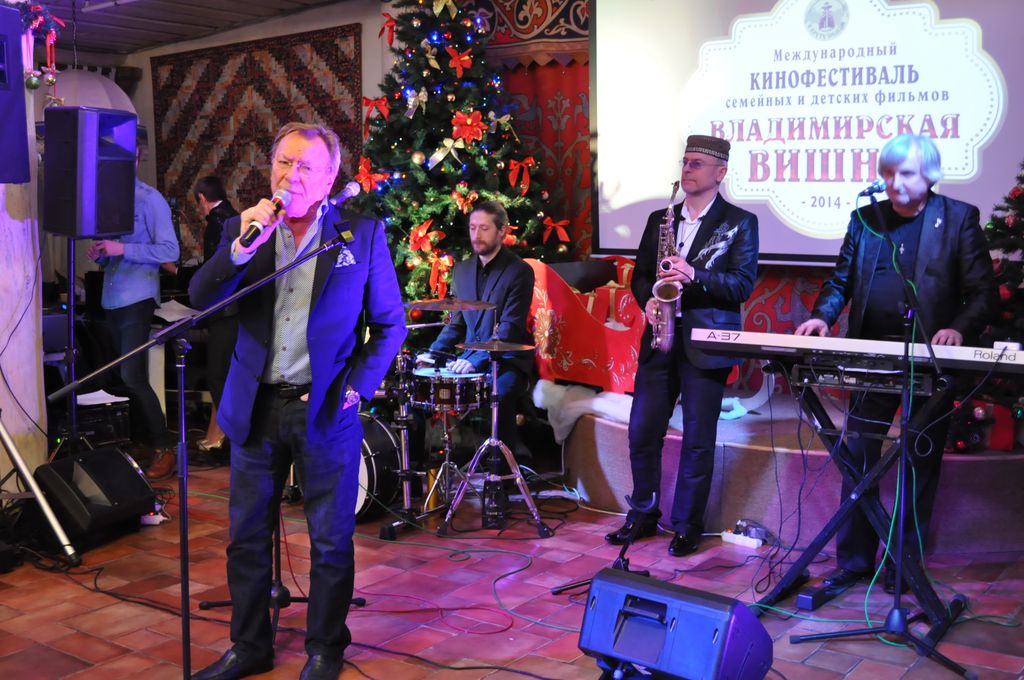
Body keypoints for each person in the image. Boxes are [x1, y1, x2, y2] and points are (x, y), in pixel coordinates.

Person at [188, 122, 406, 680]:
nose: (292, 175)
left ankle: (325, 649)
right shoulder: (245, 229)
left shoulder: (360, 234)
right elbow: (201, 297)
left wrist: (353, 388)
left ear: (330, 178)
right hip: (255, 405)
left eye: (306, 166)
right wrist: (241, 247)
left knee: (330, 541)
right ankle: (249, 647)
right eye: (284, 162)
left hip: (325, 409)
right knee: (246, 539)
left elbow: (390, 325)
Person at [794, 133, 997, 594]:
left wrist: (958, 329)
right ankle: (854, 561)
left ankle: (902, 563)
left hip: (930, 358)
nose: (893, 182)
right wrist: (823, 316)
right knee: (859, 456)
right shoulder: (866, 219)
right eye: (887, 173)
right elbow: (840, 281)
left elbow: (983, 293)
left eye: (904, 173)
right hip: (873, 355)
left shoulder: (958, 218)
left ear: (930, 175)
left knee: (918, 461)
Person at [605, 135, 759, 557]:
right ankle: (643, 513)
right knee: (642, 431)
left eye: (696, 163)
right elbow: (641, 275)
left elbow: (741, 285)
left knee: (697, 439)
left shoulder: (740, 222)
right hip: (660, 337)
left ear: (720, 173)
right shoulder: (661, 219)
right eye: (685, 162)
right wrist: (648, 300)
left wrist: (694, 274)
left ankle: (688, 525)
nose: (687, 169)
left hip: (706, 343)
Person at [88, 132, 180, 480]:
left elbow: (170, 252)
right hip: (112, 296)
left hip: (138, 297)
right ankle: (143, 440)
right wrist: (101, 253)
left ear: (138, 158)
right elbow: (111, 251)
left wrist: (122, 249)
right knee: (122, 377)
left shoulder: (151, 199)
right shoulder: (108, 199)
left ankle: (165, 447)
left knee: (132, 375)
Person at [422, 200, 535, 467]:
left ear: (501, 231)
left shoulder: (519, 271)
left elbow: (510, 327)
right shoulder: (461, 271)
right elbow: (457, 325)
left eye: (484, 228)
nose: (476, 234)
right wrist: (432, 354)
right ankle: (433, 470)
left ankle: (501, 475)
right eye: (473, 227)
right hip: (469, 358)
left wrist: (475, 361)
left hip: (507, 360)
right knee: (422, 392)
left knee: (499, 395)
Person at [193, 175, 239, 453]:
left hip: (225, 310)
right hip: (241, 310)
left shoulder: (216, 224)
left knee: (218, 376)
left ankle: (230, 441)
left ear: (202, 198)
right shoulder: (235, 217)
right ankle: (225, 437)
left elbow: (215, 271)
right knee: (231, 375)